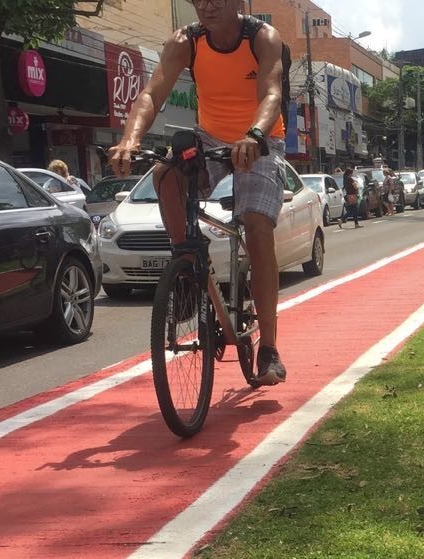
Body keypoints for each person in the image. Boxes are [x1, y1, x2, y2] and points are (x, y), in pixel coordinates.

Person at [106, 0, 290, 386]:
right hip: (209, 136)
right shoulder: (185, 42)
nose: (207, 5)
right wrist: (130, 138)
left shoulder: (262, 37)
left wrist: (254, 135)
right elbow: (151, 95)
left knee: (257, 227)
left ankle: (269, 348)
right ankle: (189, 264)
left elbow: (271, 93)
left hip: (260, 136)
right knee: (165, 174)